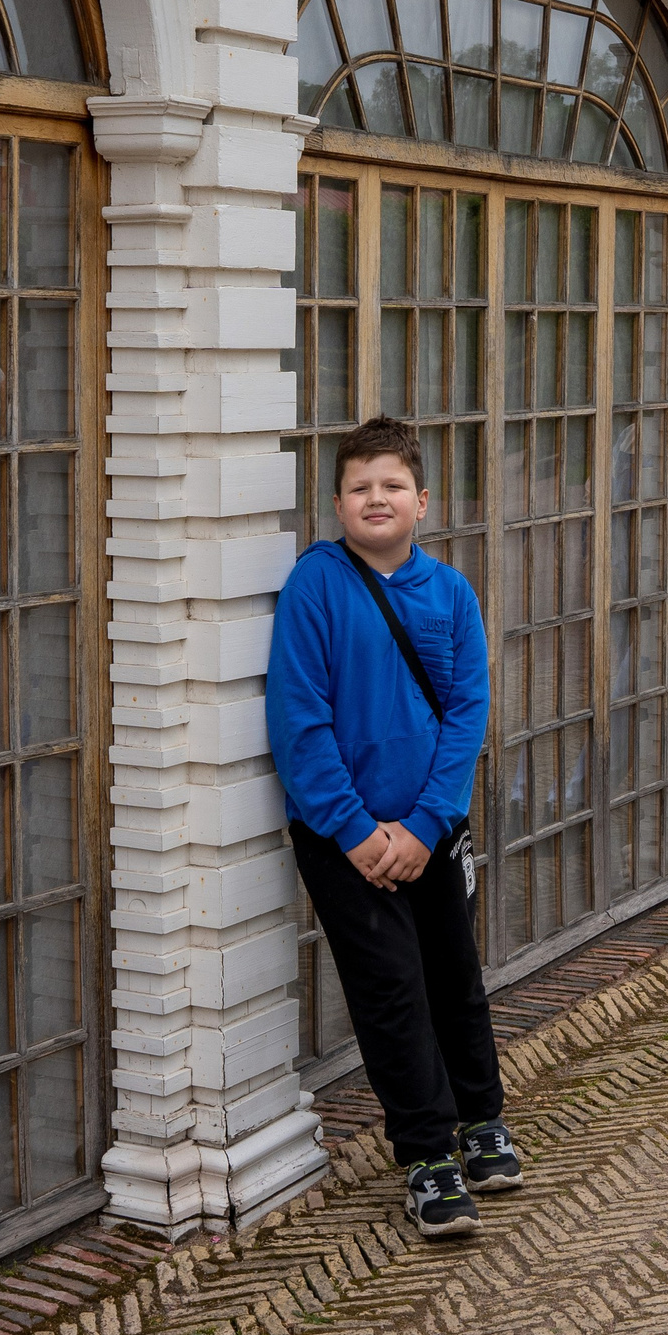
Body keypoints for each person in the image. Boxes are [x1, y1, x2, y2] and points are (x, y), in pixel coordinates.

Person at [265, 414, 517, 1240]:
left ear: (423, 502)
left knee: (454, 978)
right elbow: (300, 722)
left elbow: (466, 714)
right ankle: (427, 1158)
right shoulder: (315, 586)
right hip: (343, 842)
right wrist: (357, 833)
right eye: (360, 486)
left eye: (393, 486)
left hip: (433, 831)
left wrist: (425, 825)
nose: (377, 498)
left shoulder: (450, 593)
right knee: (391, 994)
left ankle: (481, 1120)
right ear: (337, 503)